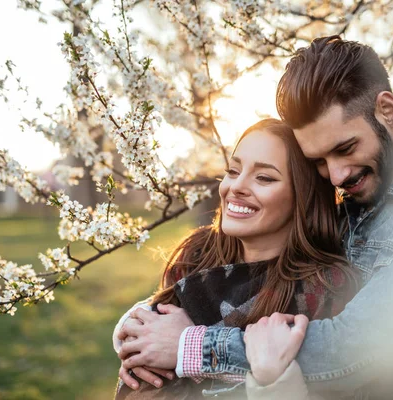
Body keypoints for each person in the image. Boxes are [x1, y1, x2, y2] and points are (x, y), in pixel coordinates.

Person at [117, 36, 393, 399]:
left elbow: (356, 349)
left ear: (388, 110)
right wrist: (146, 319)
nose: (337, 174)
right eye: (319, 160)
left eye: (344, 148)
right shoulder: (352, 204)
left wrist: (189, 345)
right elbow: (262, 271)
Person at [112, 118, 358, 399]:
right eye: (233, 170)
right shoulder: (198, 254)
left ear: (303, 196)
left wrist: (188, 349)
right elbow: (154, 323)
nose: (236, 187)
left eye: (264, 177)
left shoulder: (324, 288)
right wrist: (134, 335)